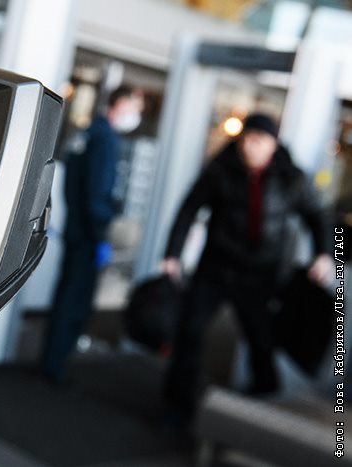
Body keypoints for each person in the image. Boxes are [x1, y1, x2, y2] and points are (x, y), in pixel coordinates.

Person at [160, 113, 334, 421]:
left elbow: (318, 216)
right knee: (191, 331)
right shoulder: (221, 169)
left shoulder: (290, 177)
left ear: (273, 145)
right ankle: (177, 406)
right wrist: (172, 254)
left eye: (259, 141)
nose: (251, 146)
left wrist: (324, 253)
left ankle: (260, 407)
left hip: (259, 274)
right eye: (248, 139)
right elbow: (189, 209)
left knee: (261, 341)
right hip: (216, 267)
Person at [41, 85, 144, 383]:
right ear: (121, 103)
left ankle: (52, 360)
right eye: (135, 107)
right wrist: (100, 233)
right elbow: (96, 192)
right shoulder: (105, 138)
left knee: (67, 294)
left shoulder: (88, 133)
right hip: (87, 234)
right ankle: (55, 366)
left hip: (77, 228)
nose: (136, 114)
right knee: (75, 300)